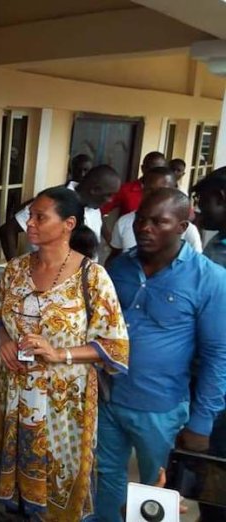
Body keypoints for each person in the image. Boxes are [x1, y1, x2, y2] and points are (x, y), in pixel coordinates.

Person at [0, 186, 129, 520]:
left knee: (60, 480)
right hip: (15, 394)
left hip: (63, 403)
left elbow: (115, 345)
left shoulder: (92, 277)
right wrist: (5, 340)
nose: (30, 224)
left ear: (68, 224)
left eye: (40, 217)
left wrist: (60, 354)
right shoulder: (15, 270)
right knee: (17, 483)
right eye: (29, 216)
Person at [99, 189, 226, 522]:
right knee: (104, 479)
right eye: (142, 219)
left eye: (159, 222)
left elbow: (217, 354)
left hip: (161, 408)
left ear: (183, 226)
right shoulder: (120, 266)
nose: (145, 228)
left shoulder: (209, 279)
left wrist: (202, 421)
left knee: (157, 495)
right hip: (106, 398)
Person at [190, 167, 226, 522]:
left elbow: (221, 348)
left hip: (219, 392)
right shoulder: (219, 242)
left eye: (203, 203)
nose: (198, 212)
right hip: (209, 383)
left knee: (216, 482)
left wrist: (203, 417)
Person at [0, 165, 121, 260]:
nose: (110, 200)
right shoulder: (54, 201)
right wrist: (16, 270)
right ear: (95, 190)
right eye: (109, 195)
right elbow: (8, 230)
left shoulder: (94, 208)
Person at [106, 166, 202, 264]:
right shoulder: (124, 222)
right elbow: (114, 257)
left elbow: (197, 265)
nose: (155, 196)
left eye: (162, 191)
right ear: (143, 191)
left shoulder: (187, 230)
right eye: (150, 190)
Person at [101, 151, 167, 218]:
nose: (156, 174)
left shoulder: (168, 194)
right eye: (152, 169)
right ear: (143, 168)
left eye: (160, 170)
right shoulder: (125, 190)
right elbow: (100, 211)